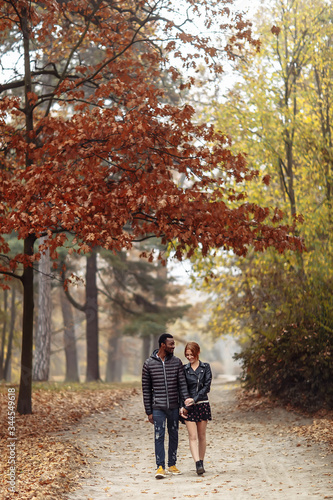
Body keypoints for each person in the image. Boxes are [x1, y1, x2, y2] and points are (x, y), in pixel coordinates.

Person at [142, 333, 190, 479]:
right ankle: (160, 467)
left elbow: (182, 385)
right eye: (171, 344)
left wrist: (184, 405)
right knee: (159, 436)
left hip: (174, 407)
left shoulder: (177, 362)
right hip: (158, 408)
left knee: (174, 435)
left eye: (174, 344)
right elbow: (146, 389)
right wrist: (148, 411)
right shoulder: (148, 364)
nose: (173, 346)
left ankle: (172, 464)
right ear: (163, 345)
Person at [180, 341, 212, 475]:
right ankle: (197, 463)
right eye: (187, 355)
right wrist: (183, 405)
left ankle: (202, 461)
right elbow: (181, 388)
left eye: (191, 354)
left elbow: (207, 387)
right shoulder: (184, 369)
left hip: (202, 403)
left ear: (197, 352)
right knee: (192, 436)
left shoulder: (206, 367)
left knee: (201, 436)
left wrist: (195, 399)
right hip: (188, 407)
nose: (189, 357)